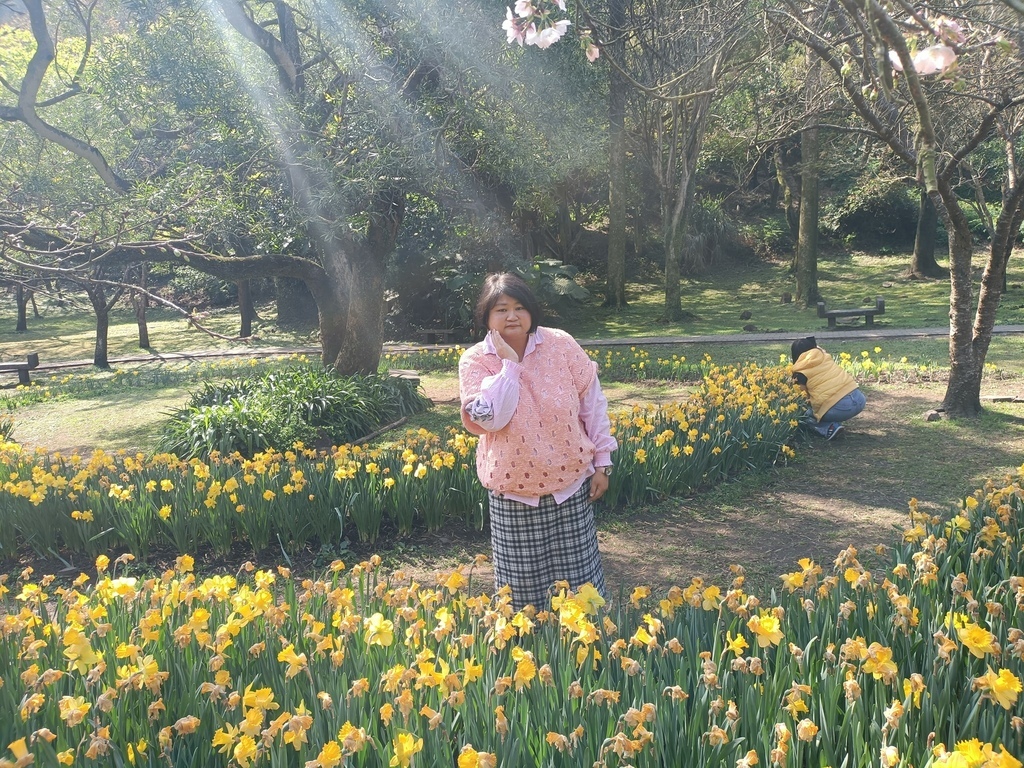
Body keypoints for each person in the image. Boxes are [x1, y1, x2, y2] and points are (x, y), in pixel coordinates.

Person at [458, 273, 617, 611]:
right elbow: (491, 419)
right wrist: (509, 367)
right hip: (514, 494)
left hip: (571, 487)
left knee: (581, 593)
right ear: (486, 316)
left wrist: (602, 462)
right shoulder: (476, 360)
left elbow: (592, 404)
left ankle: (582, 643)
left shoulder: (560, 344)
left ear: (531, 310)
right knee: (521, 602)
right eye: (501, 309)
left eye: (519, 307)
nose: (512, 316)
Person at [791, 336, 866, 440]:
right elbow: (818, 348)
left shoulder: (800, 372)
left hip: (841, 408)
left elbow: (803, 399)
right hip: (859, 399)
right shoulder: (824, 356)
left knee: (803, 414)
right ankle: (834, 419)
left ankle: (829, 427)